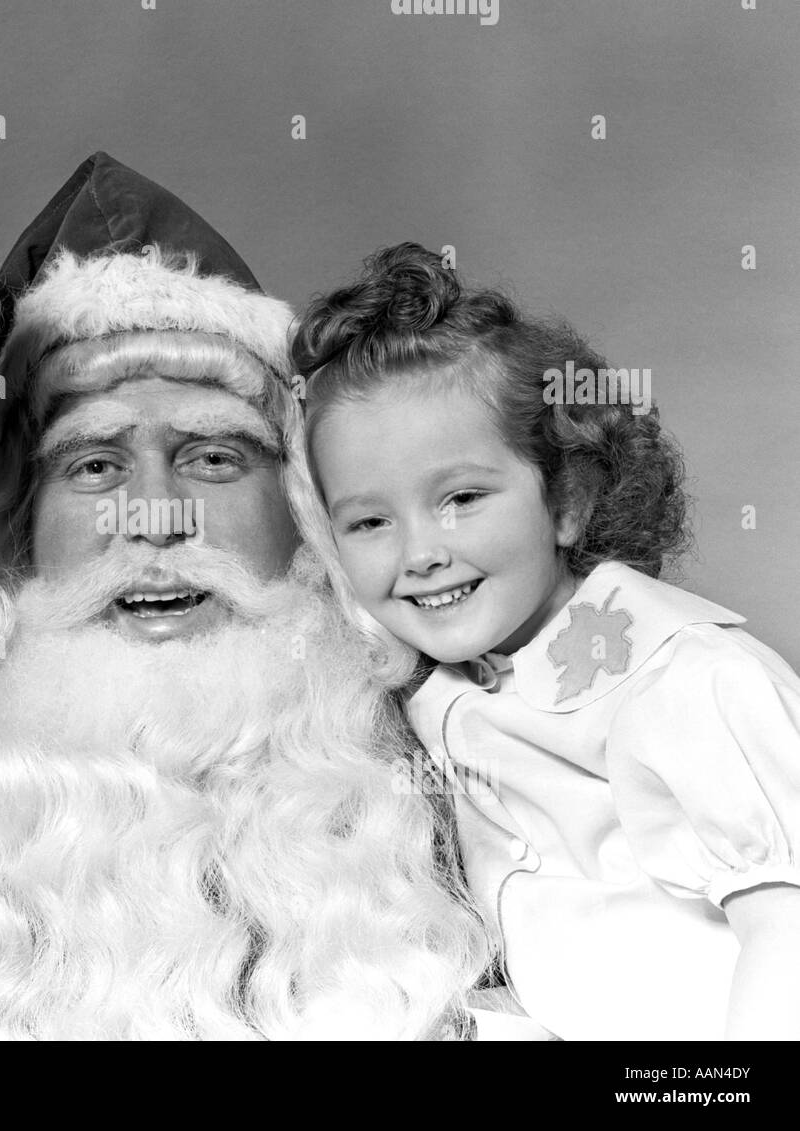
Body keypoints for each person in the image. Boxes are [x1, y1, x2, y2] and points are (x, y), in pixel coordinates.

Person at [0, 154, 490, 1040]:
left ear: (301, 514)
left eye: (213, 457)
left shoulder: (470, 755)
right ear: (17, 526)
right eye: (95, 464)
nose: (156, 515)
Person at [294, 241, 800, 1040]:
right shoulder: (434, 697)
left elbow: (788, 926)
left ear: (567, 499)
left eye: (460, 496)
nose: (420, 551)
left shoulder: (684, 679)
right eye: (369, 521)